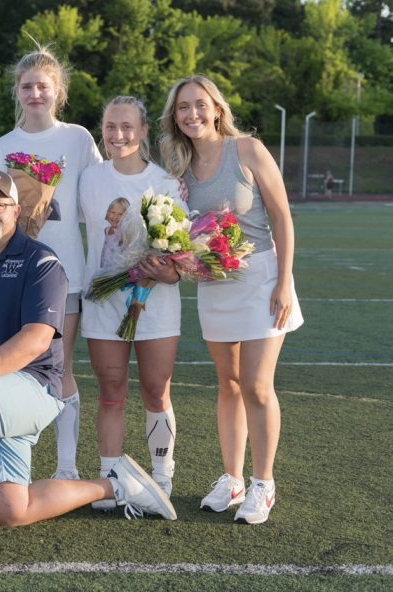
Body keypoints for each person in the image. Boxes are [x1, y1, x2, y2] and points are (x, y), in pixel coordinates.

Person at [0, 169, 176, 575]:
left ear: (16, 211)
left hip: (34, 387)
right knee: (12, 510)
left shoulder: (40, 261)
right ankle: (119, 485)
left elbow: (37, 339)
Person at [160, 75, 304, 524]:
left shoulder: (248, 151)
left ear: (217, 108)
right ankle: (232, 478)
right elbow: (178, 232)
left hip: (262, 278)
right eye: (183, 107)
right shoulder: (177, 167)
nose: (192, 114)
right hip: (214, 285)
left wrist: (284, 282)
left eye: (200, 104)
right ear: (174, 116)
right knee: (229, 385)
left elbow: (282, 216)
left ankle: (264, 484)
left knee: (258, 387)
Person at [0, 48, 103, 480]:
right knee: (10, 366)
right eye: (27, 86)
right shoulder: (3, 145)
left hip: (63, 270)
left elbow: (101, 192)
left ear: (59, 92)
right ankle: (10, 468)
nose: (35, 93)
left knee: (60, 367)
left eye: (43, 86)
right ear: (17, 92)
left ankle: (67, 468)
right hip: (12, 271)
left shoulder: (77, 138)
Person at [79, 96, 185, 511]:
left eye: (127, 127)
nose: (118, 135)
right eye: (110, 127)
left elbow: (179, 261)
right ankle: (112, 479)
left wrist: (163, 270)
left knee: (157, 392)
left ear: (143, 132)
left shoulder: (166, 184)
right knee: (110, 393)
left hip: (155, 305)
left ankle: (162, 477)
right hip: (104, 304)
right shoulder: (89, 179)